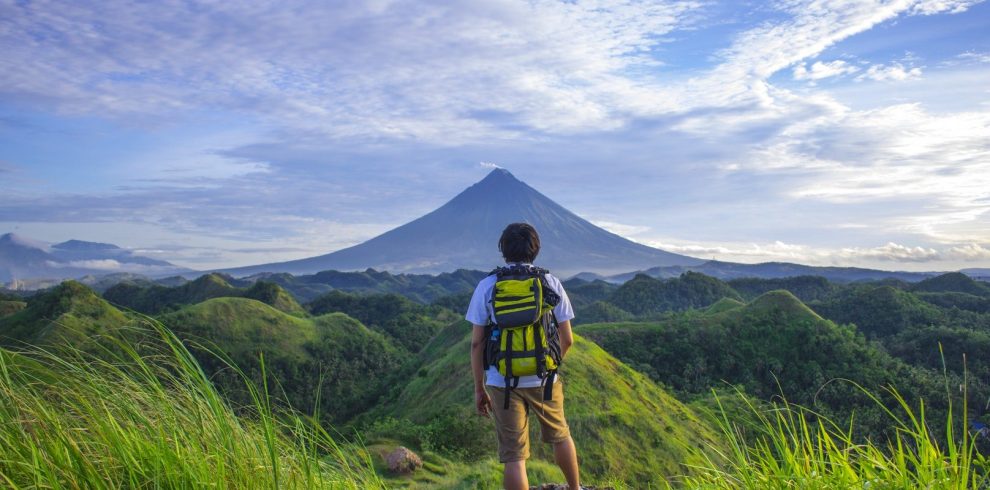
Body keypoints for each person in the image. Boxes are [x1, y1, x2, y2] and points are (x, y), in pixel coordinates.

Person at [466, 222, 581, 490]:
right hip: (544, 378)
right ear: (535, 249)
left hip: (501, 379)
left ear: (503, 250)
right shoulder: (550, 282)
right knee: (561, 436)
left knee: (514, 456)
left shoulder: (488, 285)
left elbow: (476, 343)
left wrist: (478, 387)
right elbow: (568, 339)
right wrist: (549, 366)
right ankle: (575, 488)